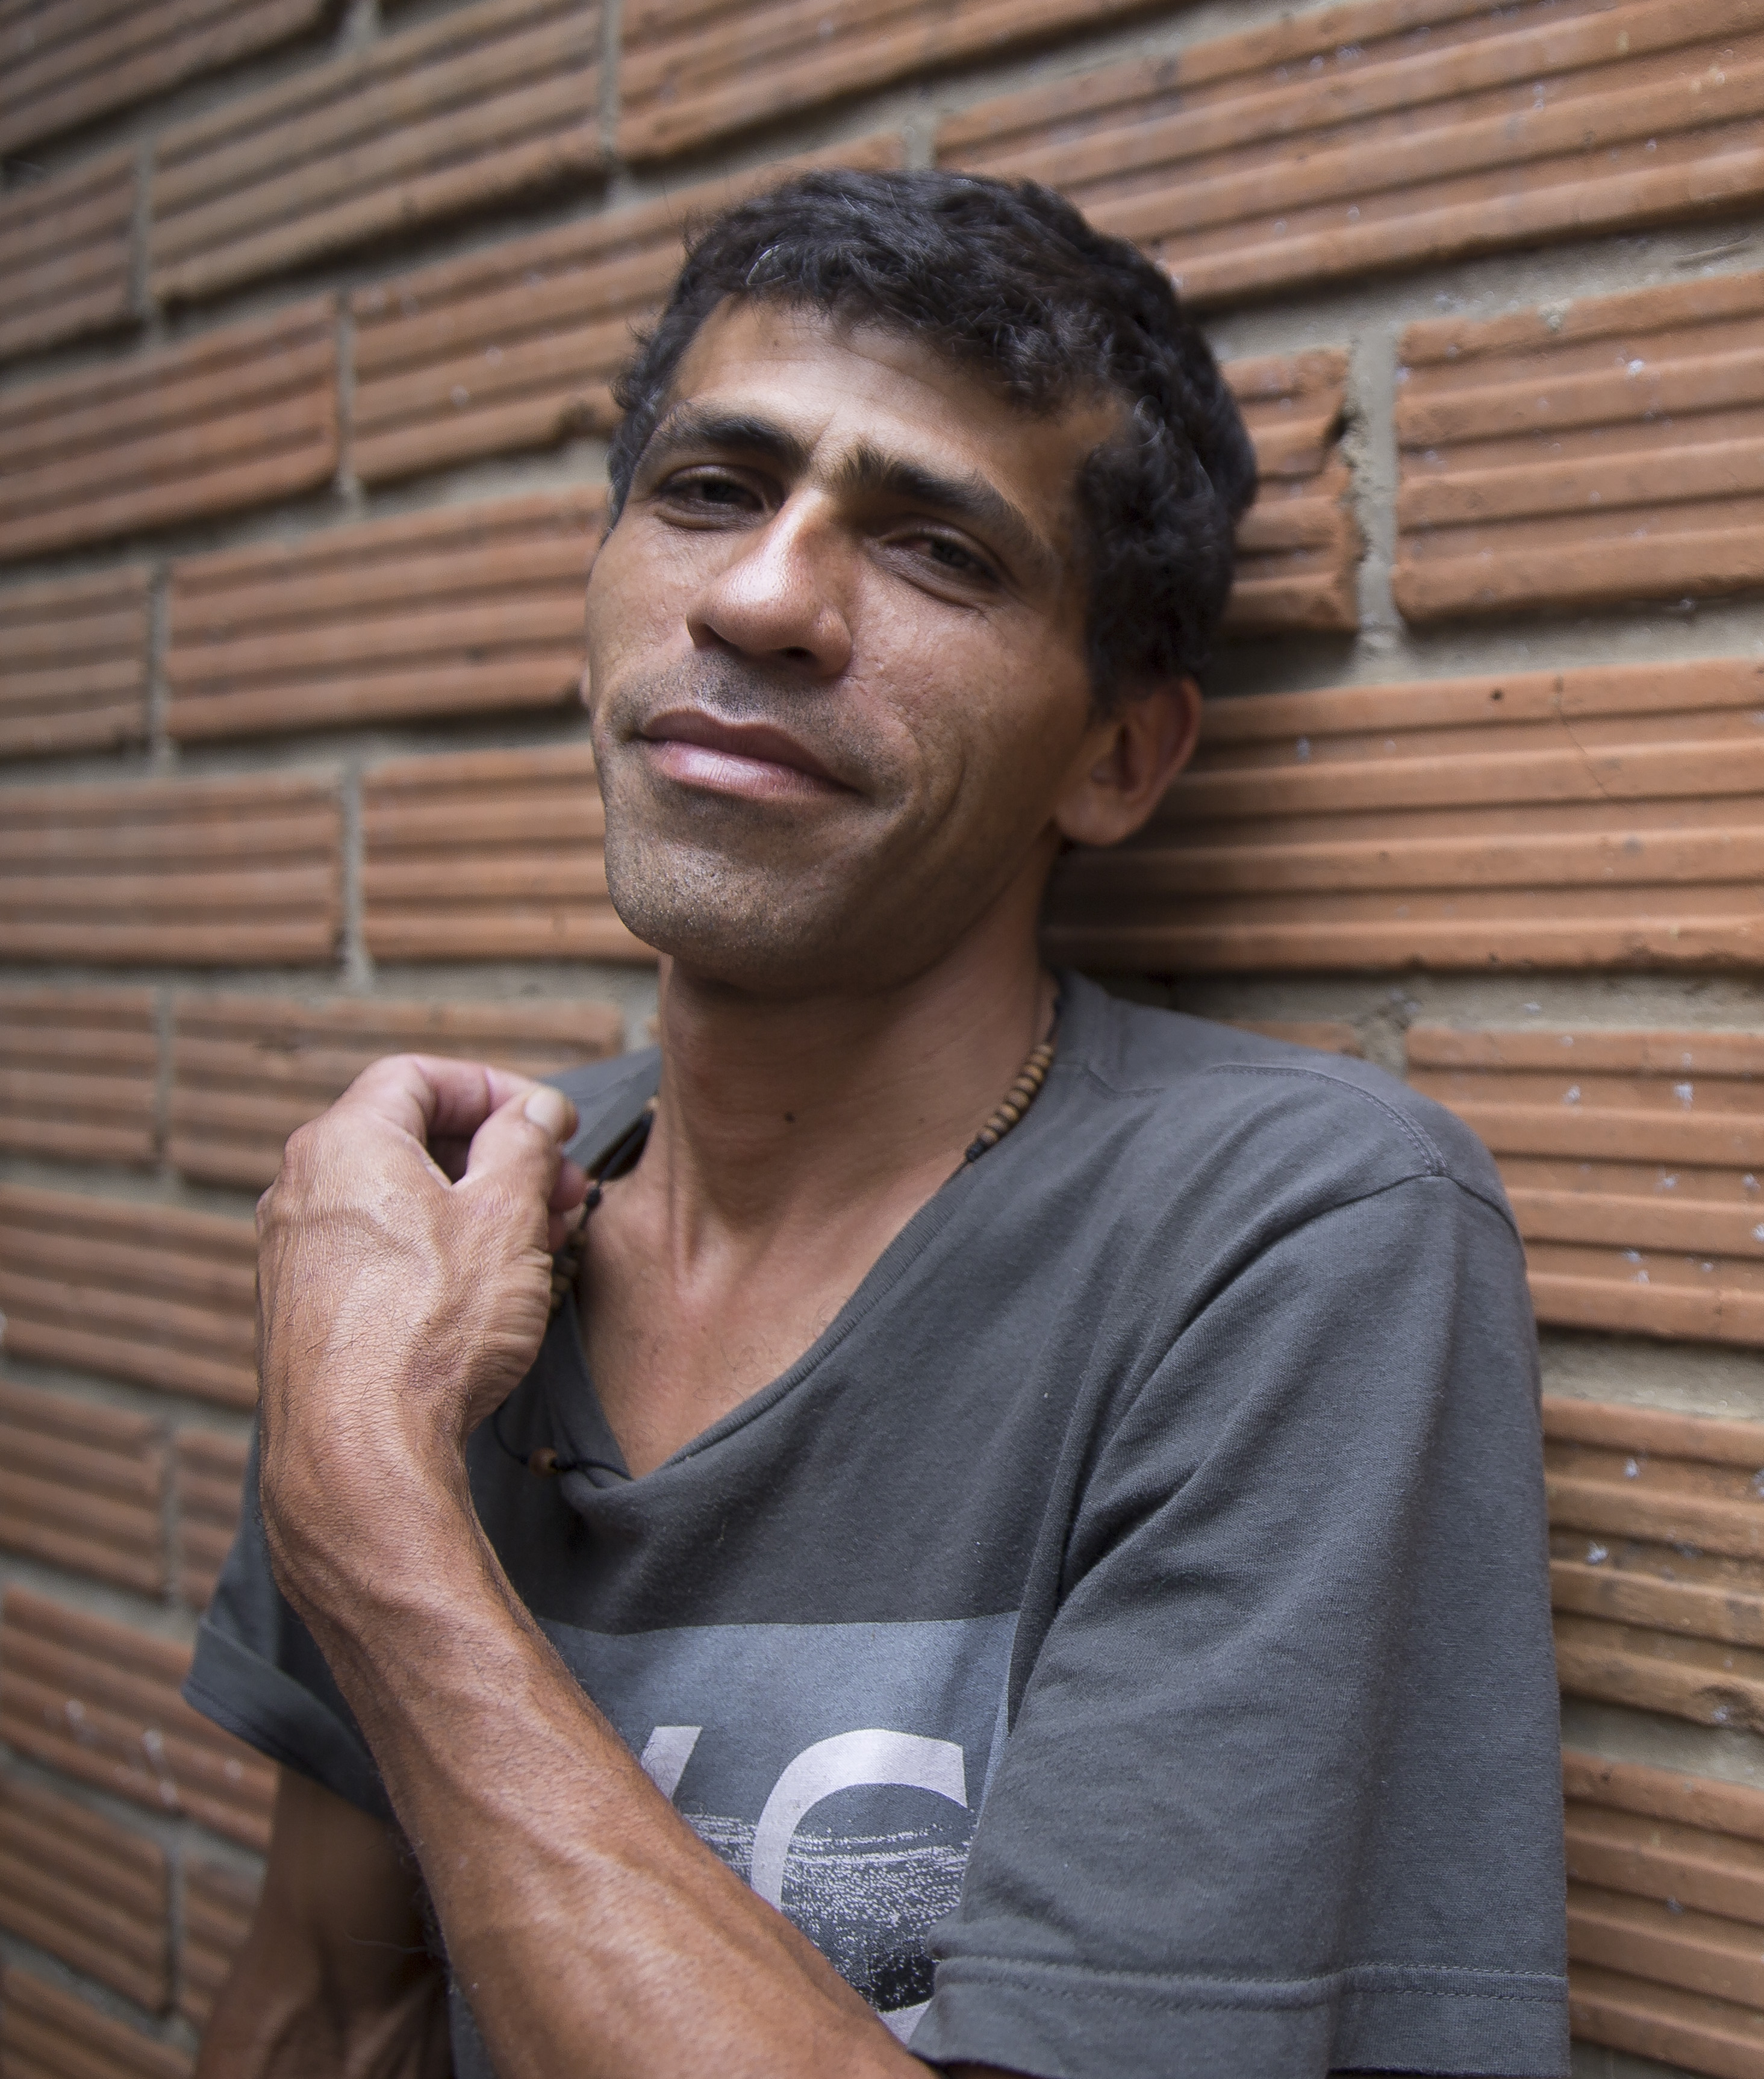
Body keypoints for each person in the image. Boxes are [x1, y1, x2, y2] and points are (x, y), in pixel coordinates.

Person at [182, 171, 1567, 2079]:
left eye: (938, 552)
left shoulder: (1290, 1234)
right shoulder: (440, 1227)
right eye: (709, 489)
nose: (759, 598)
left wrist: (366, 1506)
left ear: (1118, 755)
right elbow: (328, 2008)